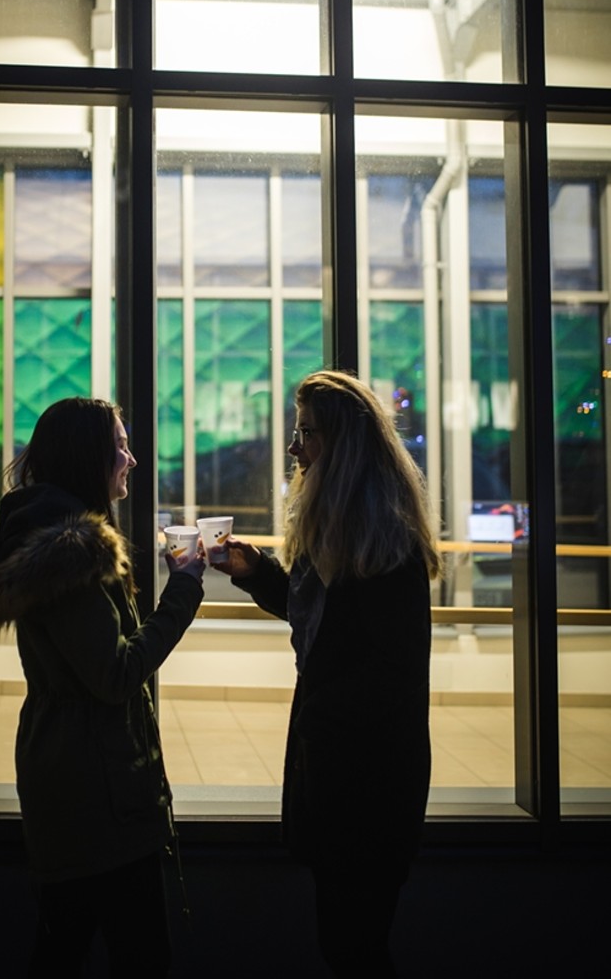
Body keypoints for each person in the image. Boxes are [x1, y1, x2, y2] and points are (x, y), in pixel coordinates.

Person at [0, 397, 204, 977]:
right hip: (97, 791)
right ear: (87, 457)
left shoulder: (50, 539)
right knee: (133, 956)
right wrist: (184, 589)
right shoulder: (71, 554)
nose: (131, 459)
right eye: (120, 446)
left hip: (73, 775)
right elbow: (115, 675)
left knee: (65, 942)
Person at [214, 370, 441, 977]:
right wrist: (257, 572)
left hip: (369, 786)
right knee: (347, 944)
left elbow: (386, 672)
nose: (294, 448)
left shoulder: (385, 544)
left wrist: (318, 718)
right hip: (347, 777)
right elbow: (319, 617)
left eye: (307, 433)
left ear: (345, 445)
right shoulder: (346, 531)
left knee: (353, 947)